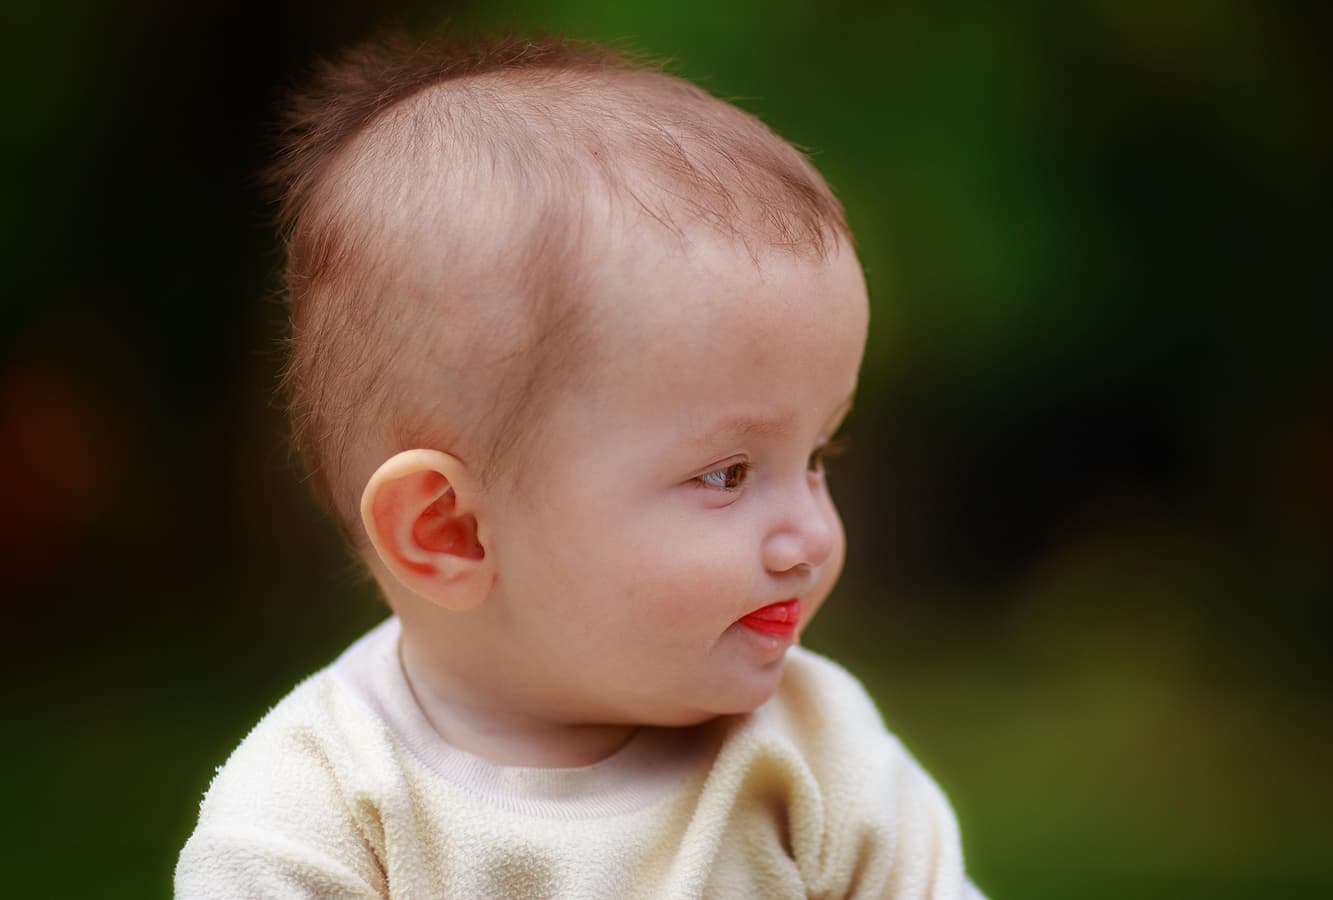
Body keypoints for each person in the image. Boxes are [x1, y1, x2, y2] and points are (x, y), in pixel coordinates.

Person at [177, 32, 979, 898]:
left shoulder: (821, 751)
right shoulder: (321, 810)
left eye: (819, 455)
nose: (811, 536)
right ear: (450, 530)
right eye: (727, 474)